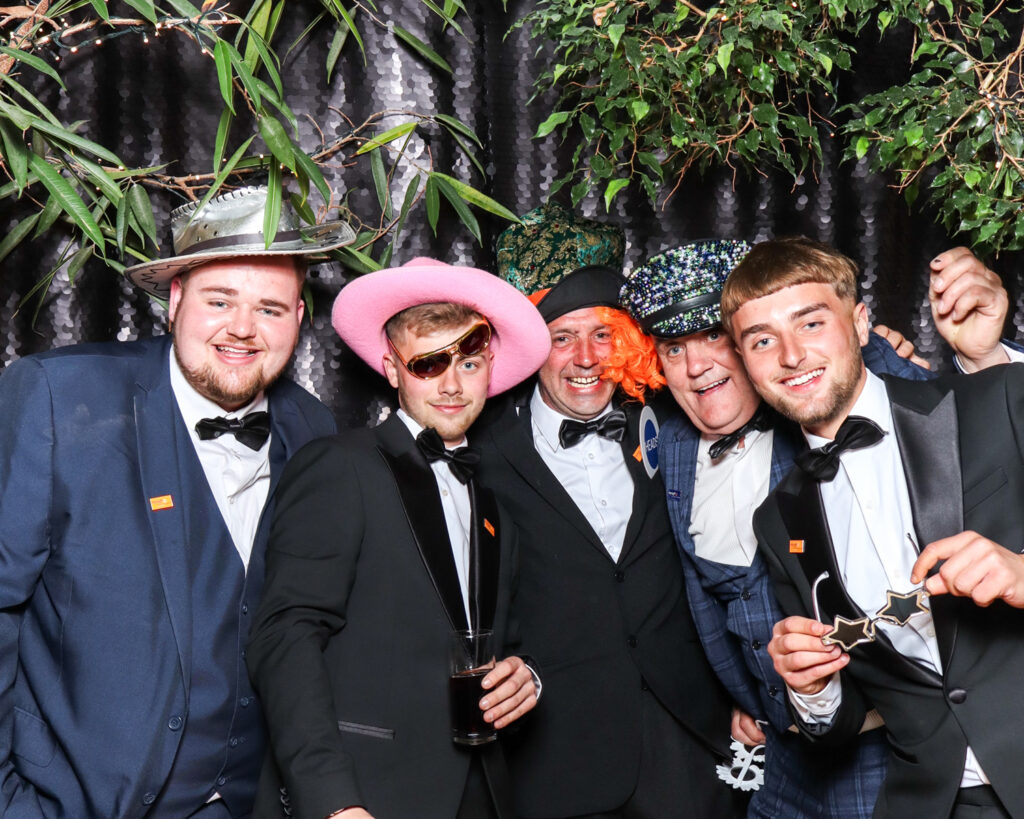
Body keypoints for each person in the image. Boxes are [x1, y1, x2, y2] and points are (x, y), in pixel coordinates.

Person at [619, 239, 1012, 817]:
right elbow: (690, 596)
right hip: (829, 760)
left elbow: (966, 408)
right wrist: (775, 696)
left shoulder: (950, 399)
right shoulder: (700, 465)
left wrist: (984, 356)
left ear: (859, 325)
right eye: (675, 348)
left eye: (712, 339)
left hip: (890, 754)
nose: (790, 354)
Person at [0, 185, 350, 817]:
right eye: (220, 300)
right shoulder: (58, 399)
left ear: (299, 320)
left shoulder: (314, 430)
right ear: (176, 302)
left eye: (270, 309)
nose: (242, 329)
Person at [246, 257, 551, 819]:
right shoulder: (340, 467)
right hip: (365, 796)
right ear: (391, 368)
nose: (453, 385)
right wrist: (333, 801)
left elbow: (505, 637)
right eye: (428, 364)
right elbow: (284, 638)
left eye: (469, 360)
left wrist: (525, 675)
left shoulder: (493, 504)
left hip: (482, 795)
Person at [476, 204, 738, 819]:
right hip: (557, 755)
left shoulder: (679, 424)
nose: (586, 357)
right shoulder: (482, 455)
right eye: (562, 337)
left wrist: (879, 349)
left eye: (603, 334)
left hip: (686, 743)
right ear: (533, 350)